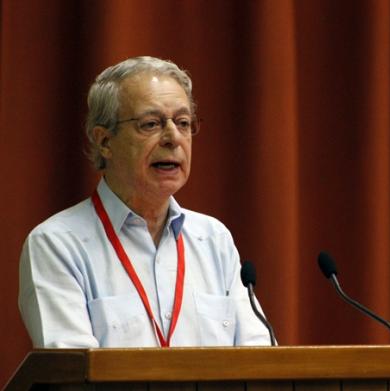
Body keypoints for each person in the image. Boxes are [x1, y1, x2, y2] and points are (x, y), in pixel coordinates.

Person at [18, 56, 271, 348]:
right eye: (151, 124)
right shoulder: (57, 244)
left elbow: (259, 359)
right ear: (104, 142)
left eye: (183, 122)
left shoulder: (213, 239)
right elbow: (75, 373)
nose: (173, 138)